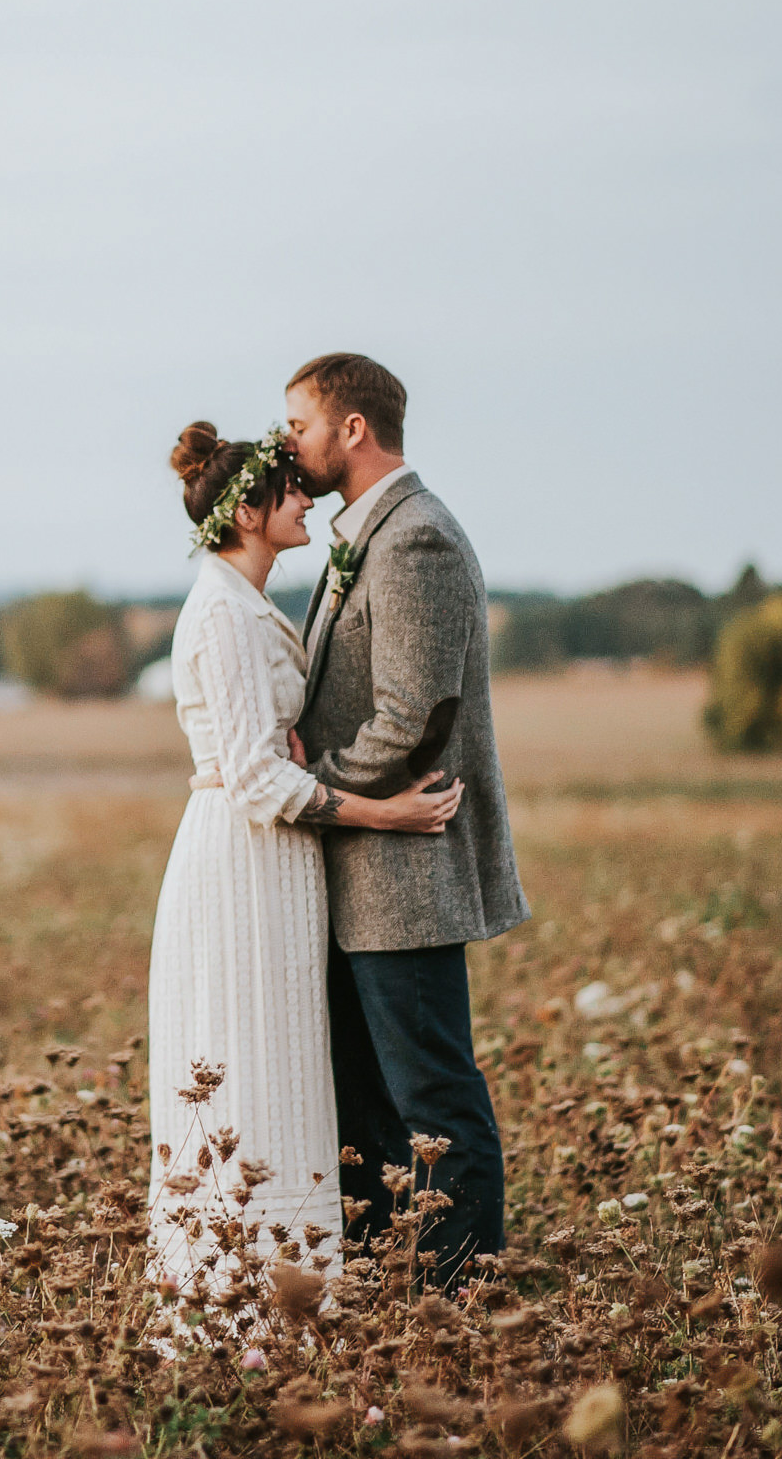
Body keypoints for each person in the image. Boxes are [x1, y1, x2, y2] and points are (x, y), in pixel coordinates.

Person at [144, 420, 463, 1333]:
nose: (308, 500)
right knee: (247, 1069)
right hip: (241, 864)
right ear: (246, 510)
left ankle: (294, 1291)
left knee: (284, 1068)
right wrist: (385, 812)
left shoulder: (245, 601)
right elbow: (253, 778)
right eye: (290, 490)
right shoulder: (221, 612)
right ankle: (242, 1308)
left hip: (274, 865)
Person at [282, 353, 528, 1292]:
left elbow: (416, 717)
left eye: (299, 423)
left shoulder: (416, 537)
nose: (288, 444)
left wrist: (315, 785)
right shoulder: (363, 535)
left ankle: (460, 1294)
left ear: (352, 429)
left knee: (433, 1096)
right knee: (373, 1103)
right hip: (363, 867)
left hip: (406, 868)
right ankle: (396, 1283)